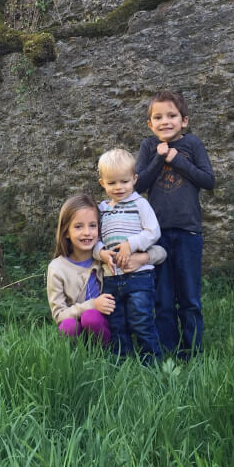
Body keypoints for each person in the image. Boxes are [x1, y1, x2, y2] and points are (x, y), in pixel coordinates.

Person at [135, 90, 215, 360]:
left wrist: (175, 159)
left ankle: (192, 351)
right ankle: (167, 349)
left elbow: (208, 181)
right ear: (150, 124)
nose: (165, 121)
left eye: (172, 115)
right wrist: (159, 157)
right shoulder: (148, 147)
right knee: (163, 298)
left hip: (188, 232)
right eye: (158, 117)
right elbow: (139, 184)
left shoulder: (192, 144)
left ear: (184, 121)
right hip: (156, 235)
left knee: (189, 298)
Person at [46, 193, 166, 344]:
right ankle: (77, 356)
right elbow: (58, 315)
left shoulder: (107, 256)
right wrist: (92, 305)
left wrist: (141, 259)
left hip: (105, 327)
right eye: (78, 226)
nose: (87, 232)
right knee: (68, 326)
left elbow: (161, 253)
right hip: (74, 327)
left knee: (92, 318)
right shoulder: (57, 268)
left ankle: (105, 352)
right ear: (66, 232)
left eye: (92, 225)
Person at [94, 148, 163, 362]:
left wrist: (130, 245)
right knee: (116, 321)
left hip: (139, 275)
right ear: (102, 183)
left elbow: (153, 231)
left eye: (124, 181)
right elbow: (94, 239)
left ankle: (151, 361)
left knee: (141, 318)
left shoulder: (140, 204)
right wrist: (101, 253)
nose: (118, 187)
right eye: (112, 183)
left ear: (134, 179)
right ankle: (121, 360)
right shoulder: (102, 209)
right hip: (111, 276)